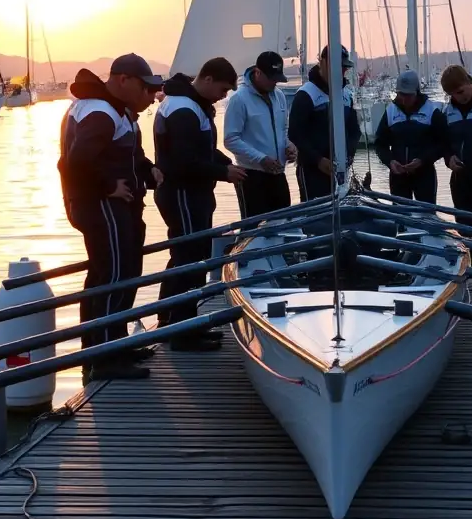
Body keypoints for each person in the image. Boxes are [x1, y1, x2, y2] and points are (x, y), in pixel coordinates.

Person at [58, 53, 164, 381]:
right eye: (144, 86)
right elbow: (73, 162)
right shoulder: (101, 112)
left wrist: (148, 171)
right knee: (113, 275)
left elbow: (130, 155)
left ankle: (108, 346)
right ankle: (104, 358)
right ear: (122, 80)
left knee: (114, 273)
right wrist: (108, 187)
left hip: (114, 206)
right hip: (101, 206)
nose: (149, 94)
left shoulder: (114, 111)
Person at [153, 57, 247, 350]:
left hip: (194, 192)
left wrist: (224, 163)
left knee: (188, 256)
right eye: (222, 89)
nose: (224, 96)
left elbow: (203, 151)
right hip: (182, 193)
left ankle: (175, 321)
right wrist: (222, 172)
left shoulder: (192, 104)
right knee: (188, 258)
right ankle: (181, 330)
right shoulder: (182, 108)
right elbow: (184, 161)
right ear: (206, 80)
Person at [223, 51, 297, 218]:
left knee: (284, 223)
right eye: (271, 78)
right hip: (252, 177)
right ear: (257, 72)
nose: (274, 83)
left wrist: (288, 146)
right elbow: (230, 139)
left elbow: (282, 129)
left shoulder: (279, 96)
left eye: (277, 79)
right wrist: (260, 158)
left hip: (278, 174)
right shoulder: (239, 99)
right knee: (254, 228)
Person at [288, 44, 361, 200]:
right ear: (322, 63)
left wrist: (349, 155)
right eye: (338, 66)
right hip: (313, 170)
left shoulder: (346, 95)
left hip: (341, 168)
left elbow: (355, 130)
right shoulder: (306, 94)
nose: (341, 71)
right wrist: (318, 160)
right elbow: (295, 134)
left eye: (344, 68)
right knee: (316, 215)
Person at [441, 64, 472, 283]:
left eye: (460, 91)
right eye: (452, 94)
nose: (457, 97)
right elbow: (444, 141)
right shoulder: (448, 110)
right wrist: (448, 158)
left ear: (469, 82)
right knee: (464, 226)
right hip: (460, 177)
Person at [374, 69, 445, 203]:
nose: (404, 99)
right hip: (398, 175)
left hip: (424, 174)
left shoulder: (432, 111)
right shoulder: (390, 111)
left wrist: (423, 160)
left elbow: (443, 143)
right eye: (401, 94)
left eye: (408, 95)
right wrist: (390, 161)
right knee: (400, 217)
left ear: (417, 92)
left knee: (427, 217)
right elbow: (379, 144)